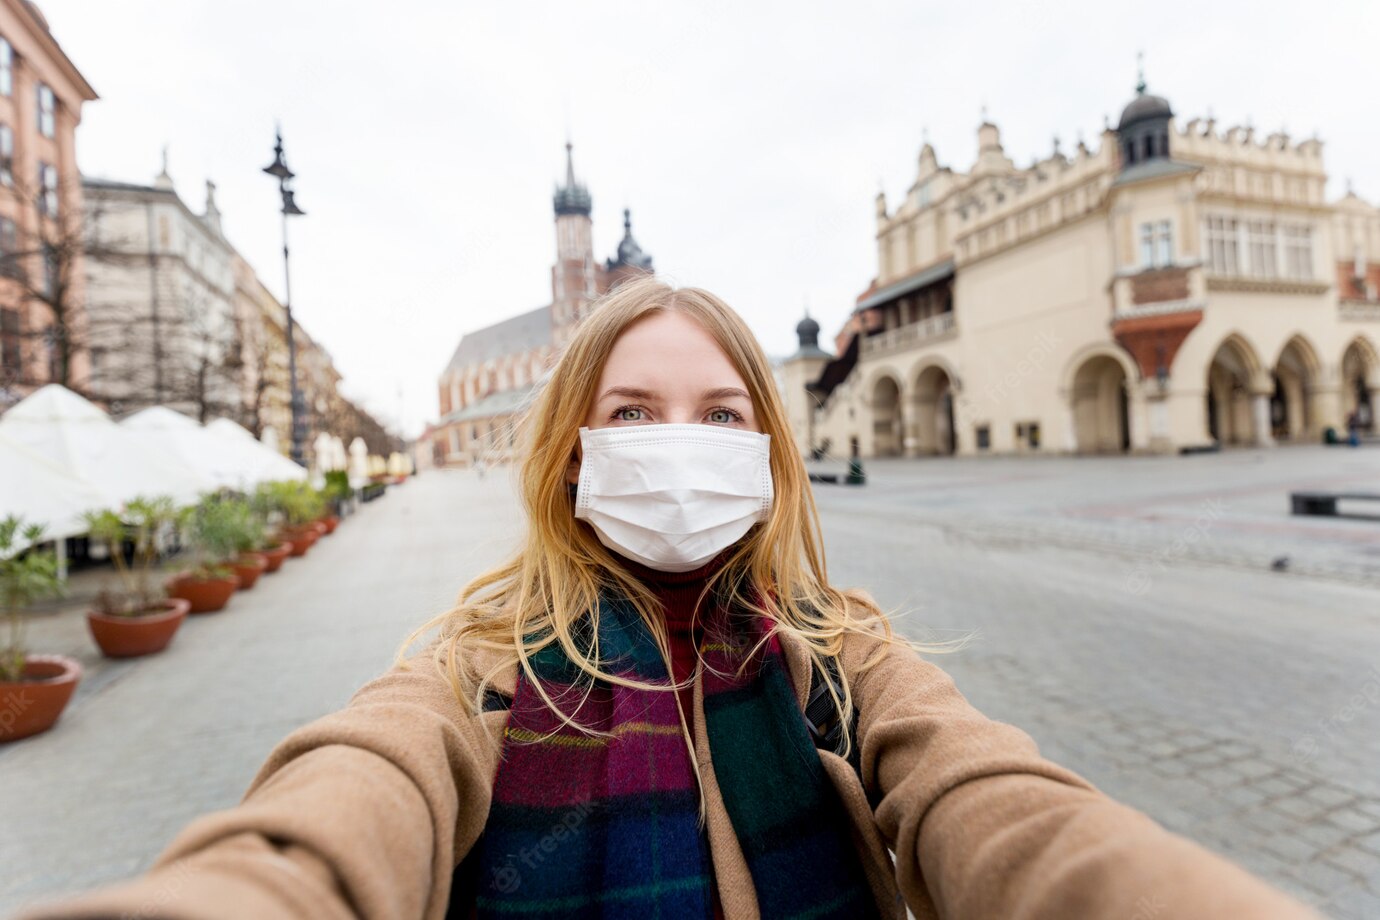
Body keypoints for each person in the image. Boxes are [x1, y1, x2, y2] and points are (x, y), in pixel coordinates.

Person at [21, 277, 1319, 920]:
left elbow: (993, 802)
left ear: (766, 449)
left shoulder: (840, 649)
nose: (675, 444)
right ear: (572, 448)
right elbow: (343, 806)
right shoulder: (480, 664)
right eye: (631, 414)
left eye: (718, 415)